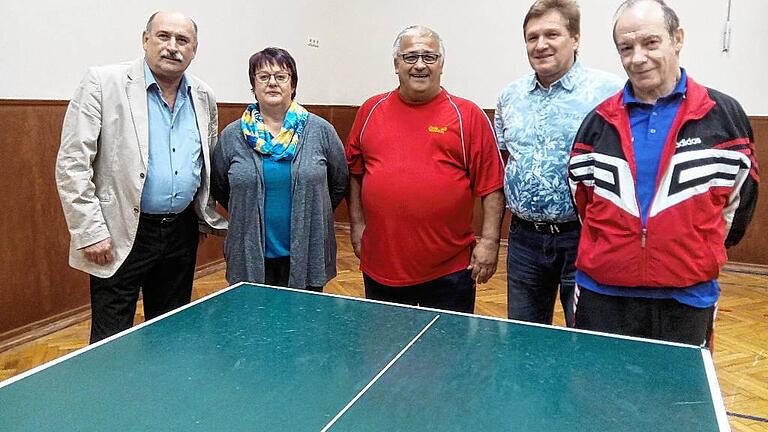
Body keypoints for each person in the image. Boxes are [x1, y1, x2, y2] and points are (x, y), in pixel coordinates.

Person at [568, 0, 759, 346]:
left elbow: (737, 205)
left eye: (650, 42)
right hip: (602, 296)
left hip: (687, 298)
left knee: (678, 399)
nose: (637, 57)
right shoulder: (596, 124)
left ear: (677, 38)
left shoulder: (725, 117)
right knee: (596, 397)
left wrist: (695, 249)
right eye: (626, 48)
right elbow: (584, 203)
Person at [55, 11, 227, 343]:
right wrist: (89, 231)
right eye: (164, 36)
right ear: (145, 39)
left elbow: (206, 159)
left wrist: (203, 215)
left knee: (170, 331)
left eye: (183, 40)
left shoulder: (203, 95)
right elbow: (72, 163)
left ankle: (163, 394)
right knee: (111, 336)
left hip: (181, 232)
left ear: (194, 49)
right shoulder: (103, 83)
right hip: (120, 230)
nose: (172, 47)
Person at [346, 25, 505, 313]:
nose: (420, 65)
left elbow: (492, 185)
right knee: (385, 350)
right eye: (410, 57)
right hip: (382, 264)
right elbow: (354, 173)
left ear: (441, 64)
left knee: (446, 354)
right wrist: (357, 226)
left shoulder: (468, 115)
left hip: (451, 270)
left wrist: (490, 242)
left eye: (429, 57)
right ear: (396, 64)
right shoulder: (370, 110)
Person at [495, 0, 623, 326]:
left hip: (585, 238)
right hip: (524, 240)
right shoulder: (510, 97)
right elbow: (503, 163)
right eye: (532, 37)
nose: (541, 45)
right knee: (524, 340)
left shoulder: (610, 93)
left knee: (585, 337)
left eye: (552, 34)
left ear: (576, 38)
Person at [211, 48, 348, 290]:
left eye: (281, 76)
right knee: (253, 322)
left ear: (293, 85)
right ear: (253, 85)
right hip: (249, 252)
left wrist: (311, 207)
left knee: (304, 322)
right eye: (263, 76)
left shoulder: (320, 131)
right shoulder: (232, 135)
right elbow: (220, 186)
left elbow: (338, 183)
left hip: (308, 249)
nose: (272, 82)